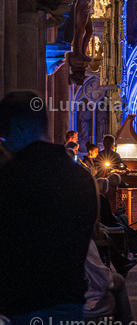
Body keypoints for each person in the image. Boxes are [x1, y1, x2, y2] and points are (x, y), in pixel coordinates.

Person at [0, 90, 99, 324]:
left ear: (19, 129)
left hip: (21, 305)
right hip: (69, 300)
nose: (4, 143)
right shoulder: (81, 177)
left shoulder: (9, 178)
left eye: (4, 135)